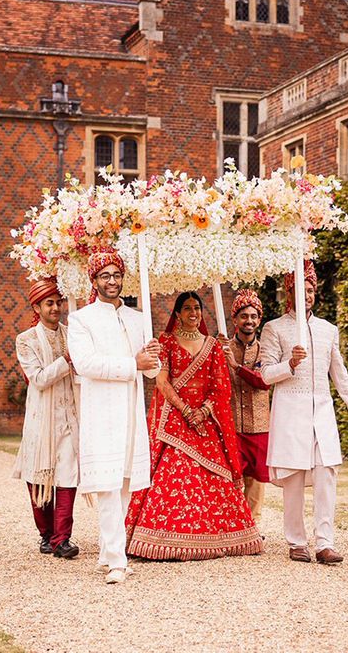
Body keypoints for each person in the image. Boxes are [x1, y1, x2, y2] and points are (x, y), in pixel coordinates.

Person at [125, 291, 263, 561]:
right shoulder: (166, 342)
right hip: (175, 420)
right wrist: (186, 409)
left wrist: (203, 411)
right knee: (173, 474)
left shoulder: (212, 345)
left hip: (204, 420)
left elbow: (220, 388)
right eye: (187, 308)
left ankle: (217, 539)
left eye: (197, 308)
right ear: (177, 314)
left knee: (214, 478)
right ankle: (160, 539)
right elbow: (162, 382)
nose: (193, 313)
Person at [260, 260, 348, 565]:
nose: (306, 295)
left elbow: (340, 374)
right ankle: (296, 541)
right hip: (290, 411)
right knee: (293, 476)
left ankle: (324, 542)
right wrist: (290, 364)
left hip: (322, 411)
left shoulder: (327, 330)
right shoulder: (274, 328)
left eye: (309, 290)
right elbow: (266, 374)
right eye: (300, 290)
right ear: (289, 293)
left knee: (327, 472)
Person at [67, 250, 161, 584]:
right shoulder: (82, 320)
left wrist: (152, 361)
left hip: (132, 410)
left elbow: (151, 373)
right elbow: (86, 365)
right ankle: (118, 559)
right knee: (107, 484)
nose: (112, 281)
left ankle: (109, 553)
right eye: (105, 276)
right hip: (102, 409)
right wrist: (132, 364)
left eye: (116, 275)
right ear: (94, 281)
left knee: (123, 484)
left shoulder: (137, 319)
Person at [12, 275, 80, 557]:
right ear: (37, 307)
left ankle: (62, 539)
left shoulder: (73, 333)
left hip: (69, 416)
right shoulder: (25, 340)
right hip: (42, 419)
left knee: (68, 476)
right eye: (49, 303)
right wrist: (67, 361)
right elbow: (38, 379)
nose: (56, 308)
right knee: (38, 476)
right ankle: (46, 535)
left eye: (58, 302)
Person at [221, 289, 270, 526]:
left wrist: (236, 367)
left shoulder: (267, 350)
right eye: (243, 316)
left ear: (259, 320)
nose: (248, 320)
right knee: (232, 477)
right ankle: (234, 524)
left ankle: (253, 525)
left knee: (257, 480)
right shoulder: (223, 348)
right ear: (234, 320)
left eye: (253, 316)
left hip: (259, 423)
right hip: (230, 422)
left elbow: (264, 382)